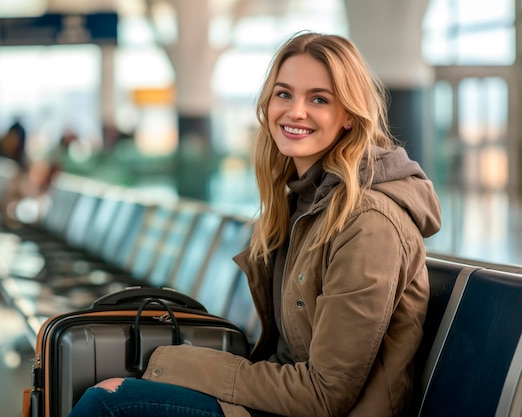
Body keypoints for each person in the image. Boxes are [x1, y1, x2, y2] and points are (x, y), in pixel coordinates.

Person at [68, 31, 442, 417]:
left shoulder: (368, 223)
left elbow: (325, 395)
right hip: (281, 404)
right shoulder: (303, 205)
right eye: (284, 94)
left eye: (319, 99)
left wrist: (172, 366)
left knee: (108, 405)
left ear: (348, 116)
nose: (295, 111)